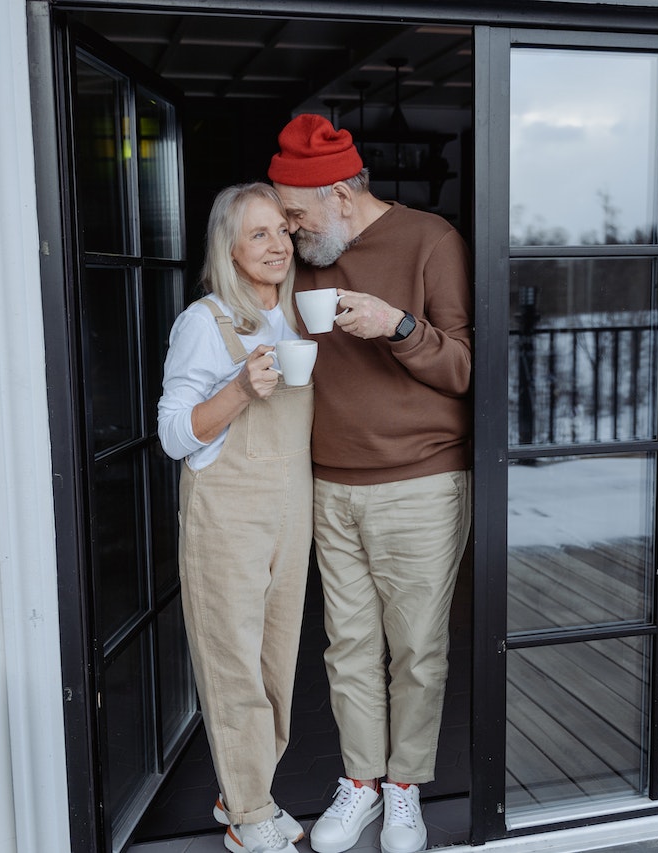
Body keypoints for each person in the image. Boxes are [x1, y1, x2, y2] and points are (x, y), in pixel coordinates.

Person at [267, 115, 473, 853]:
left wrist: (397, 326)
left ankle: (406, 789)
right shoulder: (307, 254)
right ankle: (360, 781)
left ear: (344, 195)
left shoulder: (432, 242)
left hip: (421, 480)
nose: (289, 230)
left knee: (416, 647)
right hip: (327, 481)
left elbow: (463, 369)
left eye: (295, 213)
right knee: (346, 643)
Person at [157, 182, 314, 853]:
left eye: (282, 229)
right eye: (259, 233)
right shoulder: (206, 321)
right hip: (227, 513)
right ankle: (249, 815)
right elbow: (172, 433)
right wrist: (239, 389)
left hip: (290, 507)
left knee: (278, 662)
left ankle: (246, 790)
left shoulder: (303, 317)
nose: (277, 243)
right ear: (229, 245)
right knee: (235, 667)